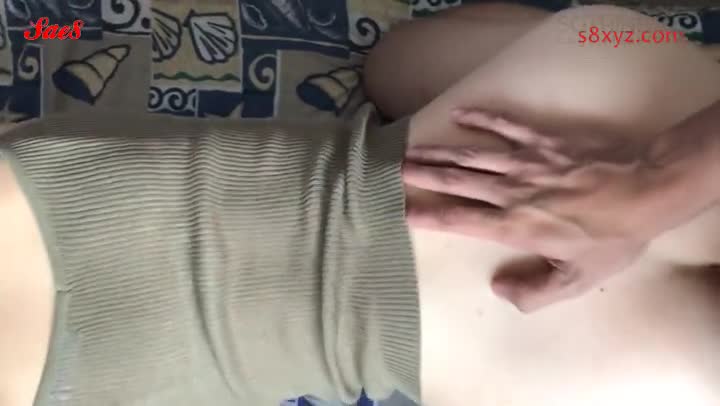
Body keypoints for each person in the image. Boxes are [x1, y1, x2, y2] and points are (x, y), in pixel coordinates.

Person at [0, 4, 718, 406]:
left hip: (58, 190)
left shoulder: (630, 52)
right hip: (74, 374)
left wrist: (657, 181)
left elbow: (396, 61)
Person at [364, 3, 720, 405]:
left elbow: (389, 59)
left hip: (636, 67)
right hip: (629, 74)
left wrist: (655, 183)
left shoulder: (639, 57)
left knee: (617, 39)